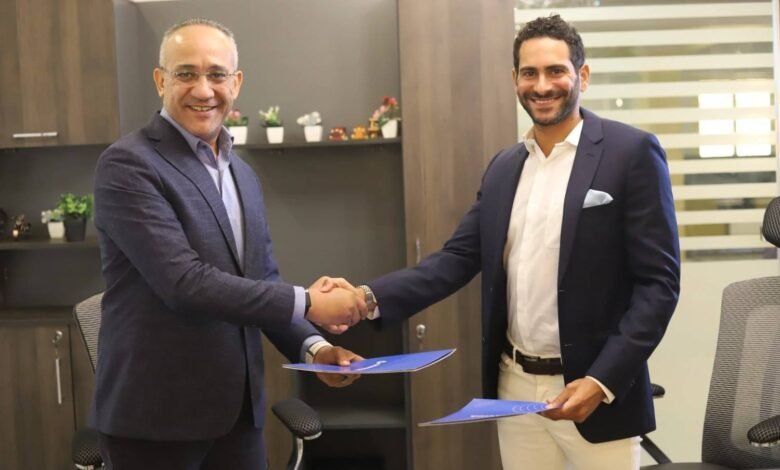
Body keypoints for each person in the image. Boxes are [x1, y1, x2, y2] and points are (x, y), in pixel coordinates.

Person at [323, 14, 680, 470]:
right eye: (529, 73)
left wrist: (603, 380)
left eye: (556, 71)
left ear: (582, 76)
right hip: (514, 390)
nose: (542, 84)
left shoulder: (631, 153)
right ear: (515, 79)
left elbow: (659, 285)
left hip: (594, 393)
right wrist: (365, 298)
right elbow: (455, 259)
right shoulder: (504, 167)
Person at [92, 18, 366, 469]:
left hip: (237, 416)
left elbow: (262, 280)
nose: (204, 89)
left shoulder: (242, 173)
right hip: (156, 419)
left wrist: (315, 349)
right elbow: (184, 282)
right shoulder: (128, 165)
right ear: (161, 80)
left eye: (217, 74)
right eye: (186, 73)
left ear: (236, 84)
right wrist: (309, 303)